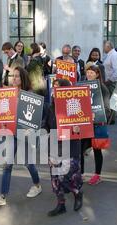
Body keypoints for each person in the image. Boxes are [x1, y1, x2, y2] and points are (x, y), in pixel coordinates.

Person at [0, 67, 43, 207]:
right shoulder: (7, 93)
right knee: (7, 164)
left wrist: (30, 130)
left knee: (27, 162)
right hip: (11, 132)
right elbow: (3, 113)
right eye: (13, 76)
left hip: (24, 133)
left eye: (17, 76)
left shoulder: (29, 94)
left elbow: (36, 118)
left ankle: (37, 185)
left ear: (23, 78)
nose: (14, 78)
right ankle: (2, 196)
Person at [43, 78, 83, 216]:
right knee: (55, 178)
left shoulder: (74, 106)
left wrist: (78, 128)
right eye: (53, 88)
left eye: (58, 88)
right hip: (55, 146)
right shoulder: (50, 107)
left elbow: (84, 126)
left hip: (71, 147)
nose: (55, 91)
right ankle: (61, 204)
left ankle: (77, 194)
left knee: (68, 176)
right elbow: (46, 126)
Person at [81, 64, 110, 185]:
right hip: (84, 124)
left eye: (92, 72)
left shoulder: (102, 88)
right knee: (80, 149)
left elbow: (107, 108)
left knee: (97, 150)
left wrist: (99, 117)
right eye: (88, 72)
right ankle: (81, 173)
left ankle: (97, 175)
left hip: (97, 124)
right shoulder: (81, 86)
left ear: (97, 74)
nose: (89, 74)